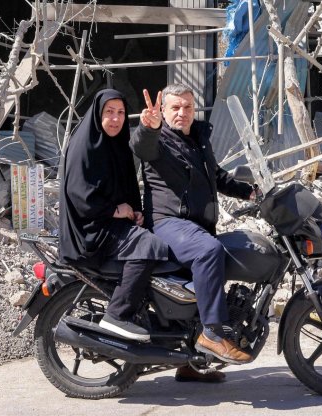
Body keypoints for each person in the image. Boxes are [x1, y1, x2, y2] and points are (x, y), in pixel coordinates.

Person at [130, 84, 257, 378]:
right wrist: (148, 128)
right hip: (166, 223)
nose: (182, 113)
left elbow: (217, 176)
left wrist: (251, 193)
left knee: (208, 274)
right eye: (175, 107)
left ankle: (190, 364)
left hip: (195, 225)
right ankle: (213, 334)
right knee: (208, 251)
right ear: (163, 111)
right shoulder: (158, 138)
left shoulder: (198, 138)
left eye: (187, 107)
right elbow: (141, 148)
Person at [59, 89, 169, 343]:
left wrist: (135, 210)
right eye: (109, 112)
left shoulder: (118, 143)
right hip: (91, 228)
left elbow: (127, 184)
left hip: (108, 221)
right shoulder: (84, 146)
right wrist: (114, 210)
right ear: (98, 114)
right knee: (148, 245)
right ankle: (117, 314)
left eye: (120, 113)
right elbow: (79, 194)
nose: (116, 119)